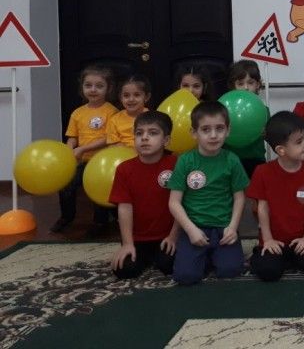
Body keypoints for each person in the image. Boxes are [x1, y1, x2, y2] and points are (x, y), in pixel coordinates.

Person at [168, 101, 248, 285]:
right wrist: (190, 230)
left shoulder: (232, 160)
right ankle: (204, 256)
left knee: (230, 271)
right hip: (195, 227)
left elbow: (239, 197)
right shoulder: (185, 161)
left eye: (219, 129)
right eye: (205, 129)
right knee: (186, 277)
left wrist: (232, 227)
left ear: (228, 130)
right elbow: (174, 202)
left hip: (223, 227)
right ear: (194, 133)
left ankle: (213, 255)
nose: (213, 135)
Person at [247, 111, 304, 281]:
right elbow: (262, 208)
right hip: (274, 240)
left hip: (301, 238)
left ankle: (291, 258)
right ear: (281, 150)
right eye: (299, 142)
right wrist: (268, 240)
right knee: (268, 272)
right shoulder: (262, 172)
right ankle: (262, 255)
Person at [109, 111, 178, 279]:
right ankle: (144, 256)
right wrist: (127, 244)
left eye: (153, 133)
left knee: (170, 265)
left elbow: (183, 203)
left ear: (166, 140)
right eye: (139, 133)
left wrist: (174, 236)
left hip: (168, 236)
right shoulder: (124, 169)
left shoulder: (176, 164)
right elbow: (124, 208)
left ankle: (157, 257)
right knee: (124, 270)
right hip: (138, 238)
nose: (144, 138)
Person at [51, 64, 118, 235]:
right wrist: (69, 150)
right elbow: (72, 136)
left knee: (97, 187)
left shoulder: (111, 112)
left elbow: (108, 138)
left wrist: (83, 148)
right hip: (82, 160)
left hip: (102, 162)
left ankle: (100, 222)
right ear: (82, 88)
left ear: (108, 88)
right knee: (66, 183)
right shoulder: (77, 113)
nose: (93, 89)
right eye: (88, 85)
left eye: (99, 86)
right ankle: (67, 216)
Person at [224, 59, 267, 177]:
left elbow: (271, 136)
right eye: (240, 83)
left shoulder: (263, 110)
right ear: (233, 86)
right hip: (229, 159)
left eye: (250, 82)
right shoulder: (225, 109)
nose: (246, 87)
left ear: (258, 84)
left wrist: (267, 133)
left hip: (256, 160)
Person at [106, 73, 150, 148]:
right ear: (121, 98)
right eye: (126, 95)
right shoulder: (114, 120)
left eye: (137, 95)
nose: (131, 99)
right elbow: (112, 145)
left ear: (146, 97)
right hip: (122, 154)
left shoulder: (153, 118)